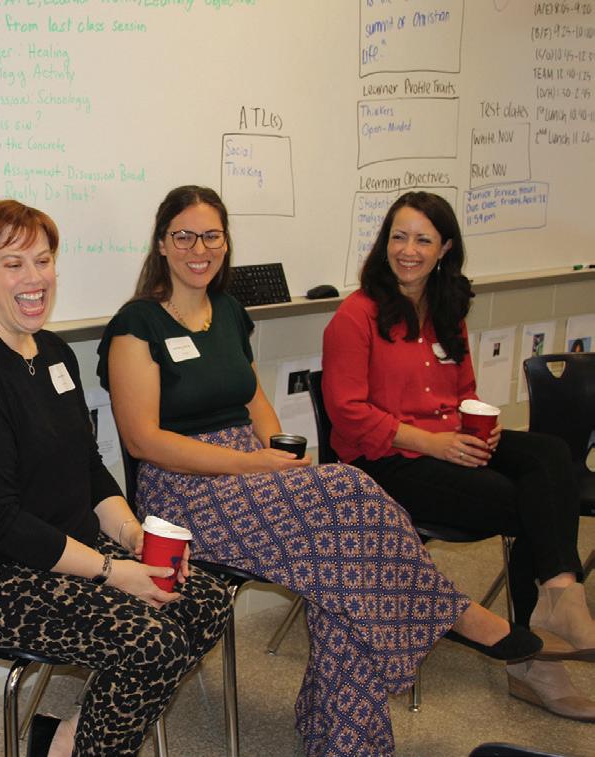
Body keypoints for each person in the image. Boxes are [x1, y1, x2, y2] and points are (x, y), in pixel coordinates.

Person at [97, 185, 543, 757]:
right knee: (348, 490)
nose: (198, 249)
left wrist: (276, 457)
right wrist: (251, 464)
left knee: (344, 560)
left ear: (226, 243)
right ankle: (452, 614)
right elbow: (145, 441)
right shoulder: (136, 325)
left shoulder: (228, 311)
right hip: (182, 496)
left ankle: (343, 737)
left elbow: (254, 401)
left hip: (249, 472)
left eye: (211, 236)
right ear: (162, 244)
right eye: (184, 236)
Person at [0, 199, 232, 756]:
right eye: (13, 264)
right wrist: (113, 572)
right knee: (149, 644)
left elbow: (86, 464)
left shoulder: (54, 352)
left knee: (204, 599)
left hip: (60, 548)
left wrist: (132, 537)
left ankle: (69, 738)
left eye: (43, 260)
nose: (34, 279)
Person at [322, 190, 595, 722]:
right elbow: (348, 414)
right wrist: (435, 443)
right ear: (384, 243)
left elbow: (463, 390)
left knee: (549, 455)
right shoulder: (356, 316)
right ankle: (532, 660)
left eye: (423, 240)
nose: (408, 250)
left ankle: (560, 596)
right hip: (385, 461)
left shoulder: (447, 308)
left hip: (448, 441)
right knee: (529, 504)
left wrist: (483, 432)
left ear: (444, 248)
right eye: (398, 237)